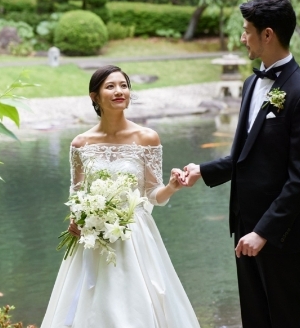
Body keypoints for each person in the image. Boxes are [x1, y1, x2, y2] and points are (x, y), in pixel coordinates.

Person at [179, 0, 300, 328]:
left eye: (246, 30)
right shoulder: (251, 83)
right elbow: (246, 154)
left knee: (286, 318)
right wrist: (203, 170)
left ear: (267, 34)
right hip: (243, 227)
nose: (241, 37)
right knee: (254, 318)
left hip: (281, 235)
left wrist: (264, 232)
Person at [40, 65, 200, 328]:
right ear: (95, 96)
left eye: (123, 85)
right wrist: (76, 219)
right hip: (92, 240)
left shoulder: (147, 137)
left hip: (135, 237)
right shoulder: (81, 143)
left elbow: (153, 195)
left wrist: (172, 186)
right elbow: (77, 194)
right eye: (110, 86)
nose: (119, 91)